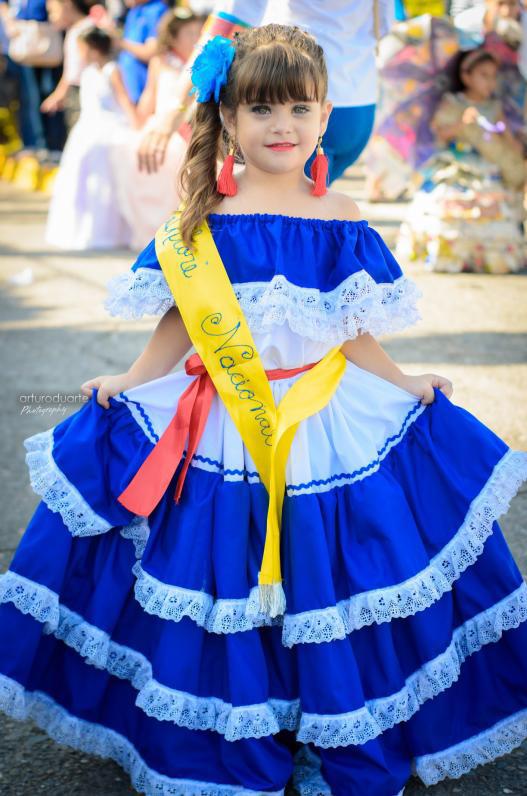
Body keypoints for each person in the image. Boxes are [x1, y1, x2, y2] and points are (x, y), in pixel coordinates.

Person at [1, 23, 527, 796]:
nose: (280, 126)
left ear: (324, 118)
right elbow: (180, 323)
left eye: (298, 109)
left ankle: (326, 716)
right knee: (230, 580)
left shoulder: (342, 214)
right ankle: (243, 725)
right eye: (260, 110)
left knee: (325, 576)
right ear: (228, 116)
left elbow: (353, 335)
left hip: (322, 422)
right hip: (220, 422)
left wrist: (411, 383)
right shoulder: (206, 212)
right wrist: (131, 378)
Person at [136, 0, 395, 182]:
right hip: (357, 107)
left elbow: (225, 25)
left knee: (281, 229)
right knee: (309, 223)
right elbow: (383, 24)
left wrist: (173, 110)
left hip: (291, 101)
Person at [397, 48, 526, 273]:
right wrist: (461, 123)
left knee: (492, 199)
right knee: (449, 199)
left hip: (488, 165)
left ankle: (489, 255)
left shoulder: (495, 107)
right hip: (457, 163)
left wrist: (505, 134)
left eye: (493, 76)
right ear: (466, 77)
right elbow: (439, 133)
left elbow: (511, 146)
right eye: (483, 75)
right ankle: (449, 252)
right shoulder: (453, 102)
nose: (490, 81)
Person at [111, 6, 204, 249]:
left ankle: (183, 231)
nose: (196, 39)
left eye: (199, 33)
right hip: (164, 125)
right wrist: (139, 122)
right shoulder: (160, 62)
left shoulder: (203, 64)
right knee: (139, 154)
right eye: (189, 34)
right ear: (172, 37)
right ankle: (152, 233)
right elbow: (149, 97)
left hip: (192, 128)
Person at [45, 26, 138, 249]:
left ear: (94, 49)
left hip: (110, 129)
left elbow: (124, 101)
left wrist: (137, 127)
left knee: (107, 180)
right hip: (87, 130)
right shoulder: (86, 74)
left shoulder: (112, 70)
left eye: (82, 49)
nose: (79, 53)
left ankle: (112, 231)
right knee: (81, 179)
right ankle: (82, 229)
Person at [41, 0, 96, 132]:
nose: (51, 17)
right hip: (76, 90)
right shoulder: (74, 31)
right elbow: (69, 71)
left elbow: (76, 70)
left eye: (53, 11)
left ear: (67, 5)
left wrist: (60, 93)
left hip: (85, 91)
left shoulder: (86, 31)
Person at [111, 0, 168, 104]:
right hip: (130, 92)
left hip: (146, 93)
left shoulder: (156, 9)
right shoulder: (133, 11)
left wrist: (118, 41)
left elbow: (152, 52)